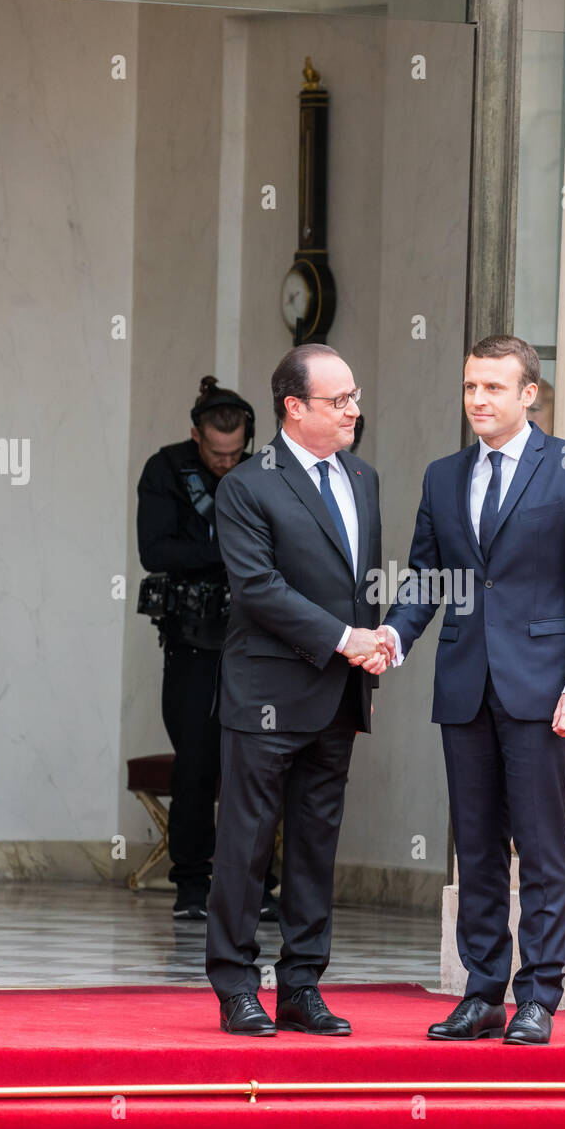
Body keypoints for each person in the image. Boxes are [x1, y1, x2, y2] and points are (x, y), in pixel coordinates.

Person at [375, 335, 565, 1044]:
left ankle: (538, 994)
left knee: (541, 845)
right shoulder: (444, 475)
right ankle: (481, 993)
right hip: (464, 684)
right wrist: (393, 636)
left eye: (492, 388)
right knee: (475, 847)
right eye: (469, 388)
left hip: (544, 689)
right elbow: (428, 577)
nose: (477, 400)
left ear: (528, 394)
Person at [205, 344, 386, 1036]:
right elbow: (257, 588)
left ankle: (303, 984)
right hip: (267, 692)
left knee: (316, 840)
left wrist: (377, 640)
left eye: (353, 396)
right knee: (247, 841)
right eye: (339, 401)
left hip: (338, 694)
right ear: (294, 408)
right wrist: (346, 638)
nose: (353, 410)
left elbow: (360, 581)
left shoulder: (362, 476)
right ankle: (235, 985)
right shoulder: (248, 485)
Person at [137, 376, 280, 920]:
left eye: (235, 451)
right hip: (192, 640)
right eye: (217, 452)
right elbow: (155, 549)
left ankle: (256, 886)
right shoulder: (166, 468)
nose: (226, 461)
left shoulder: (260, 471)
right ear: (195, 436)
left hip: (252, 639)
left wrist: (218, 554)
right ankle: (192, 887)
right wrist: (228, 555)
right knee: (195, 763)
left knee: (257, 764)